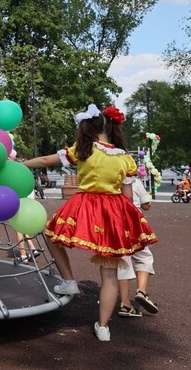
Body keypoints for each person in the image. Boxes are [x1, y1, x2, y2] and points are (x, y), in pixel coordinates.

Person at [23, 104, 158, 342]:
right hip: (114, 212)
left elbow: (45, 160)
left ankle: (69, 280)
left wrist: (21, 164)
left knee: (52, 235)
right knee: (109, 275)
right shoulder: (125, 158)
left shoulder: (83, 149)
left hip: (85, 205)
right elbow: (127, 197)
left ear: (92, 127)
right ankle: (104, 327)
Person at [117, 178, 160, 317]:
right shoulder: (133, 181)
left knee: (122, 262)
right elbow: (146, 205)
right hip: (133, 223)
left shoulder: (108, 179)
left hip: (115, 224)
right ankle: (141, 291)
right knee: (144, 257)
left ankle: (125, 304)